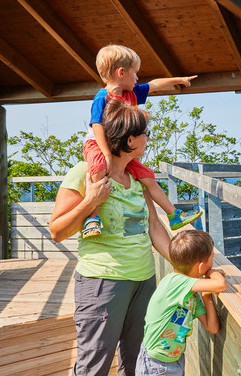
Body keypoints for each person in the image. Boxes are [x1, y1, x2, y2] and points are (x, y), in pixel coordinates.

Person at [49, 99, 172, 376]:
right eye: (145, 134)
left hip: (144, 282)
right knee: (95, 366)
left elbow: (153, 227)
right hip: (101, 284)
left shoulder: (138, 178)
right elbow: (57, 231)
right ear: (130, 140)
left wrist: (184, 263)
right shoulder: (84, 174)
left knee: (136, 360)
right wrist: (90, 200)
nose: (148, 138)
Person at [82, 44, 201, 237]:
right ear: (121, 72)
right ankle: (92, 218)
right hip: (98, 143)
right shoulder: (102, 97)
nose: (137, 78)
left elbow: (154, 85)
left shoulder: (132, 93)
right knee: (98, 168)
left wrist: (179, 79)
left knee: (148, 176)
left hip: (122, 147)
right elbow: (97, 126)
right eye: (135, 73)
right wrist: (106, 154)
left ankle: (173, 215)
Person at [136, 230, 227, 376]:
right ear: (201, 266)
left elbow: (213, 328)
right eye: (212, 259)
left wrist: (206, 297)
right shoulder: (174, 282)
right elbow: (221, 284)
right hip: (155, 365)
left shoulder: (190, 295)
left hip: (174, 360)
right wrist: (212, 273)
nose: (212, 263)